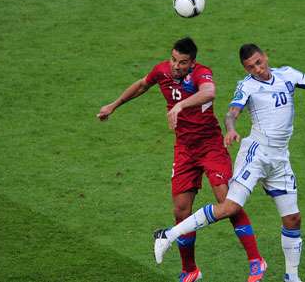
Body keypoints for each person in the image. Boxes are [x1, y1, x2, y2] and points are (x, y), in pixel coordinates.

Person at [153, 43, 305, 282]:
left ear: (265, 57)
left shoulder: (288, 75)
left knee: (293, 219)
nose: (257, 69)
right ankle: (169, 235)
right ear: (246, 69)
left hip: (280, 158)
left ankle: (292, 277)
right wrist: (231, 129)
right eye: (250, 67)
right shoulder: (246, 86)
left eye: (259, 63)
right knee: (229, 207)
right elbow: (231, 112)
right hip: (256, 154)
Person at [97, 38, 265, 282]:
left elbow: (209, 92)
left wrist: (179, 106)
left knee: (228, 202)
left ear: (192, 63)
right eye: (174, 59)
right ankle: (190, 270)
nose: (176, 66)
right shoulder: (162, 70)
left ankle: (255, 260)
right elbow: (143, 84)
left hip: (211, 146)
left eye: (182, 62)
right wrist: (114, 105)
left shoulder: (202, 74)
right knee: (181, 209)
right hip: (185, 150)